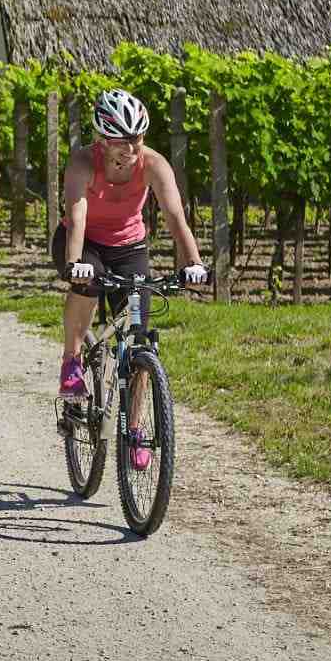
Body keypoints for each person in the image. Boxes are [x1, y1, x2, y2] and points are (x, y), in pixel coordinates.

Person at [57, 88, 208, 462]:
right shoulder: (82, 163)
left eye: (137, 138)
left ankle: (135, 428)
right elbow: (77, 217)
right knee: (87, 284)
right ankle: (72, 359)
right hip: (84, 242)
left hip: (129, 247)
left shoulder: (154, 164)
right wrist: (75, 263)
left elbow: (175, 217)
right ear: (101, 139)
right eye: (121, 141)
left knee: (140, 338)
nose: (131, 148)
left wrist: (194, 263)